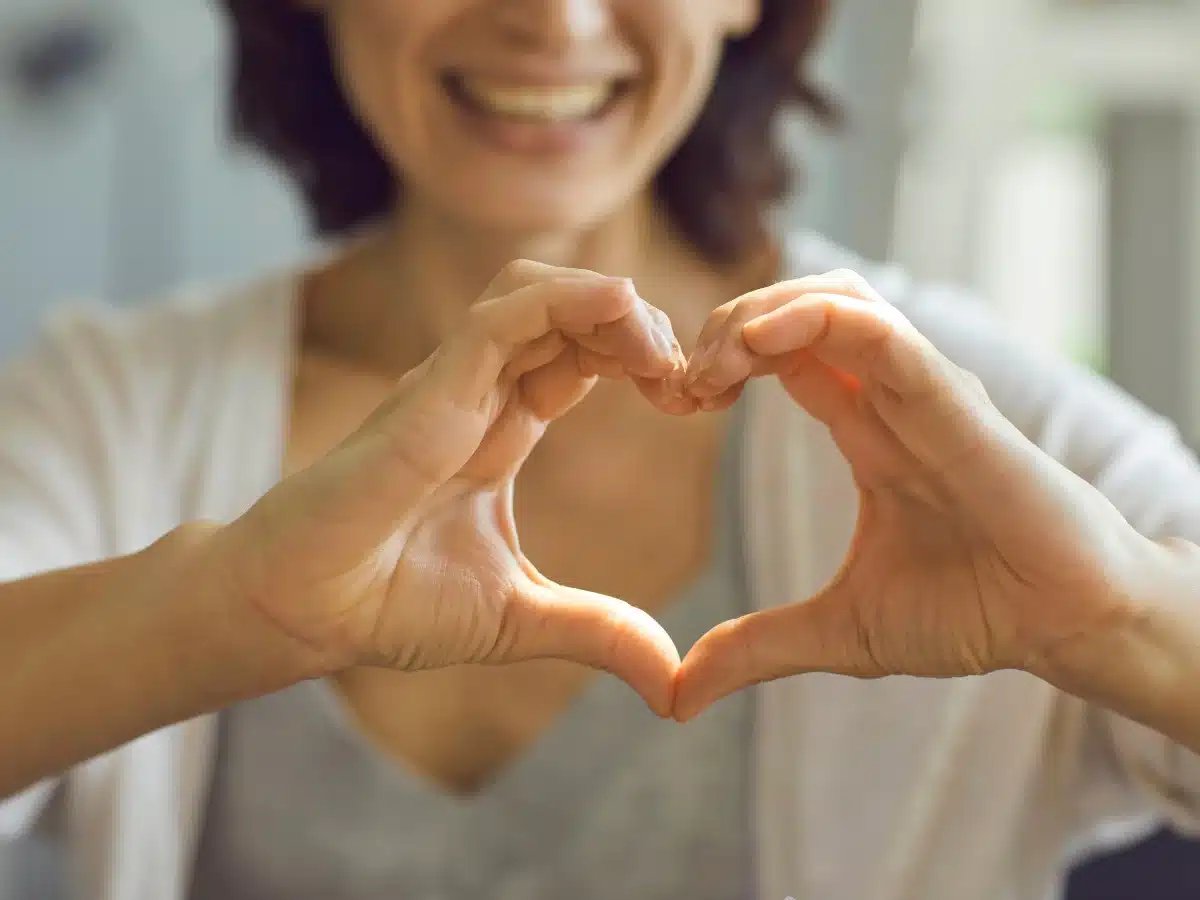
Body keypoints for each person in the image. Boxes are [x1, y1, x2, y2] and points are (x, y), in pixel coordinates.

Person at [1, 0, 1199, 897]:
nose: (551, 20)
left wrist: (1110, 615)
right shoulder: (112, 411)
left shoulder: (968, 413)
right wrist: (224, 612)